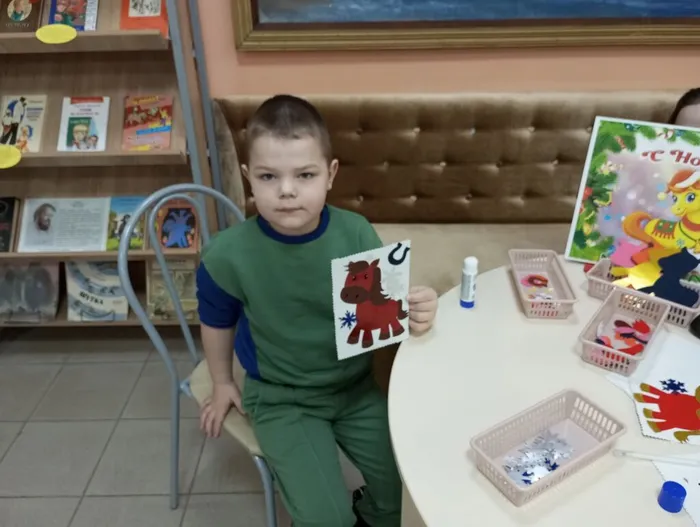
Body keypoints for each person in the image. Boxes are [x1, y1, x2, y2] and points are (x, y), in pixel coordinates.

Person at [196, 95, 439, 527]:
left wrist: (416, 310)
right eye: (269, 176)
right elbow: (216, 319)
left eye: (305, 175)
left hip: (356, 388)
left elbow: (380, 310)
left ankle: (372, 510)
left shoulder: (355, 232)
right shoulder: (228, 255)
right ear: (249, 178)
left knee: (403, 496)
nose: (287, 190)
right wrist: (221, 381)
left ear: (330, 175)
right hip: (282, 398)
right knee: (327, 518)